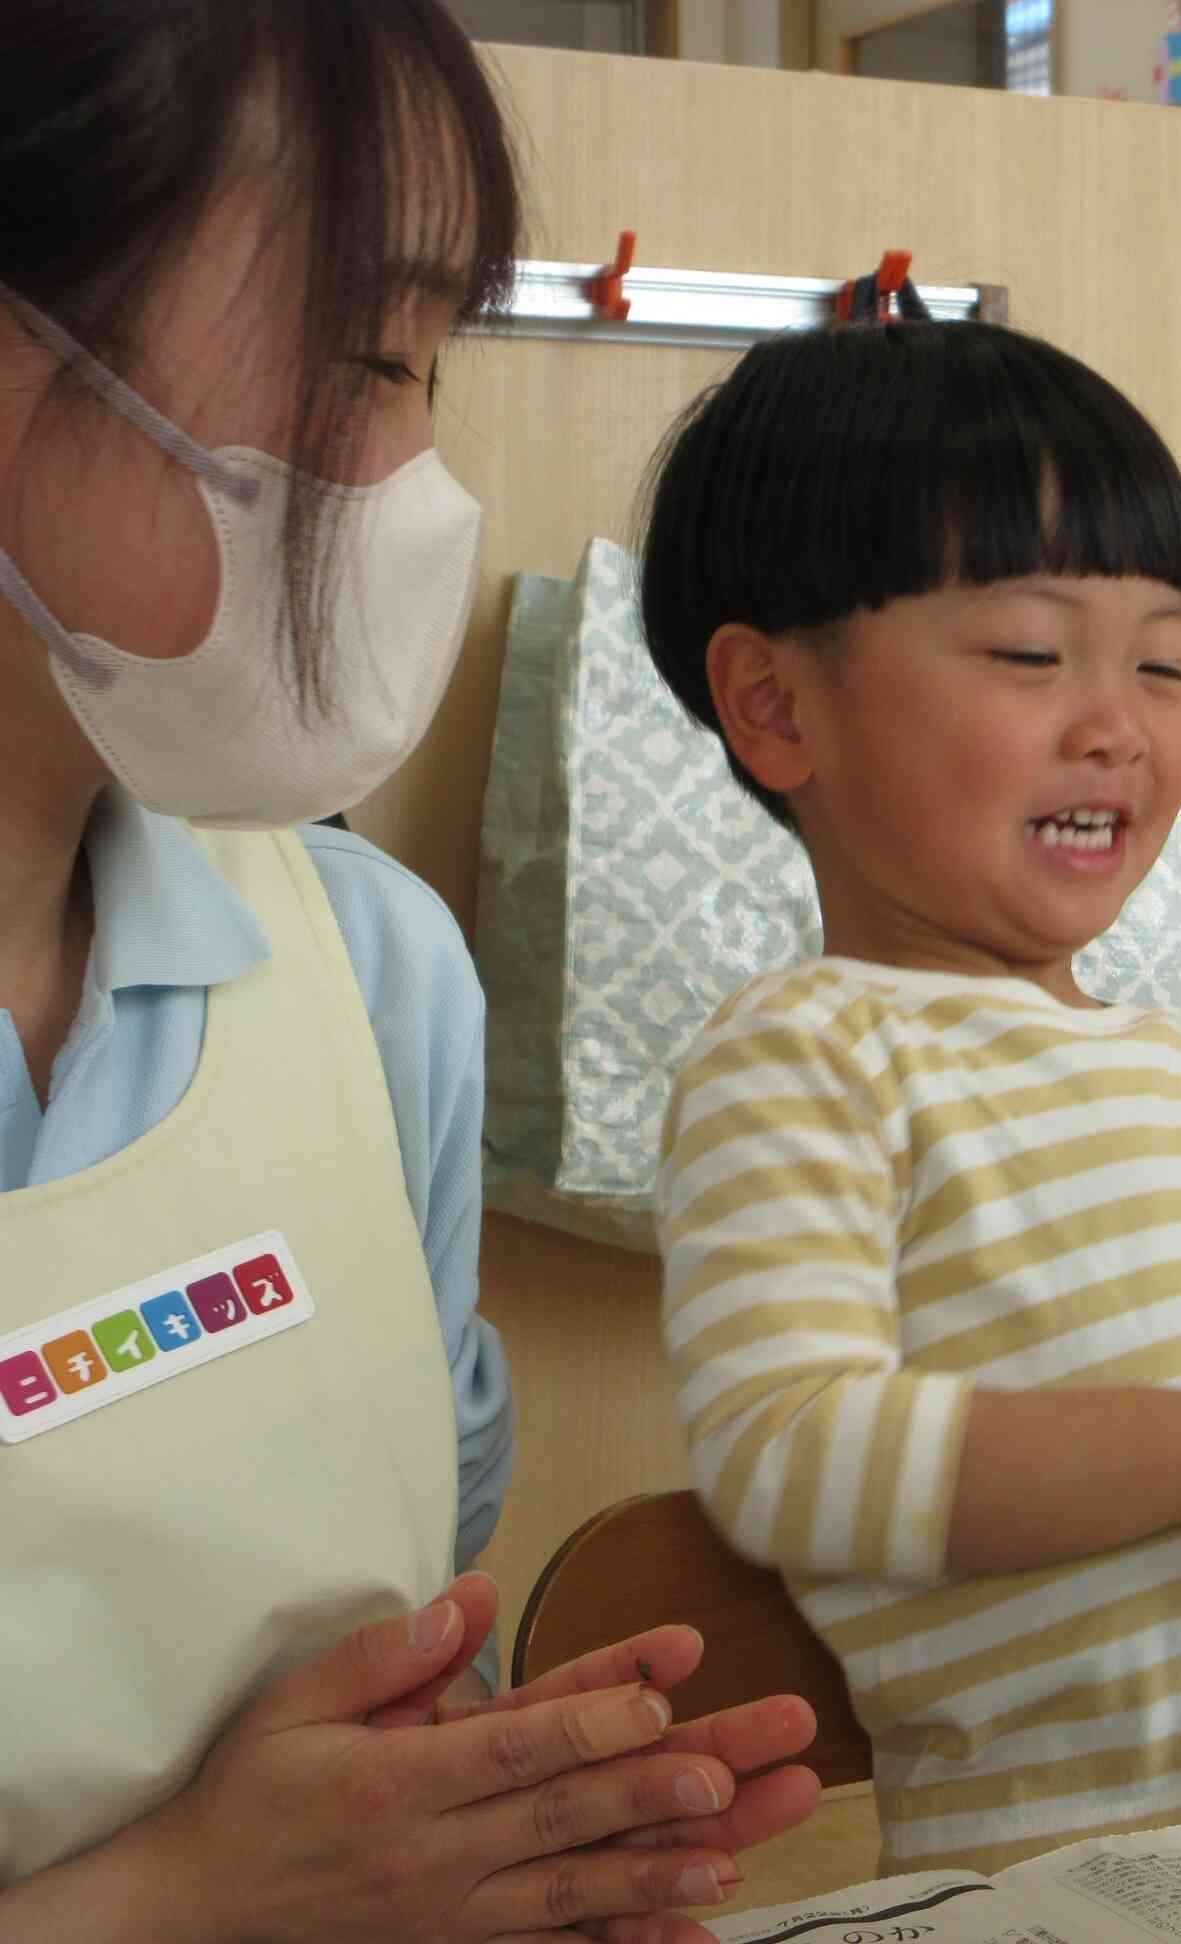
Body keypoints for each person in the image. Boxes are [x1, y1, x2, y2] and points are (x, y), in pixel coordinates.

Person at [0, 5, 818, 1935]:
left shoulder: (373, 978)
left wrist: (486, 1837)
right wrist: (182, 1895)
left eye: (437, 364)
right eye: (375, 353)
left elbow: (376, 1648)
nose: (417, 481)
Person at [640, 320, 1181, 1876]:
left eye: (1163, 662)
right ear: (776, 706)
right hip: (1100, 1885)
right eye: (1031, 652)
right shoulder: (810, 1053)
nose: (1118, 722)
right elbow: (787, 1447)